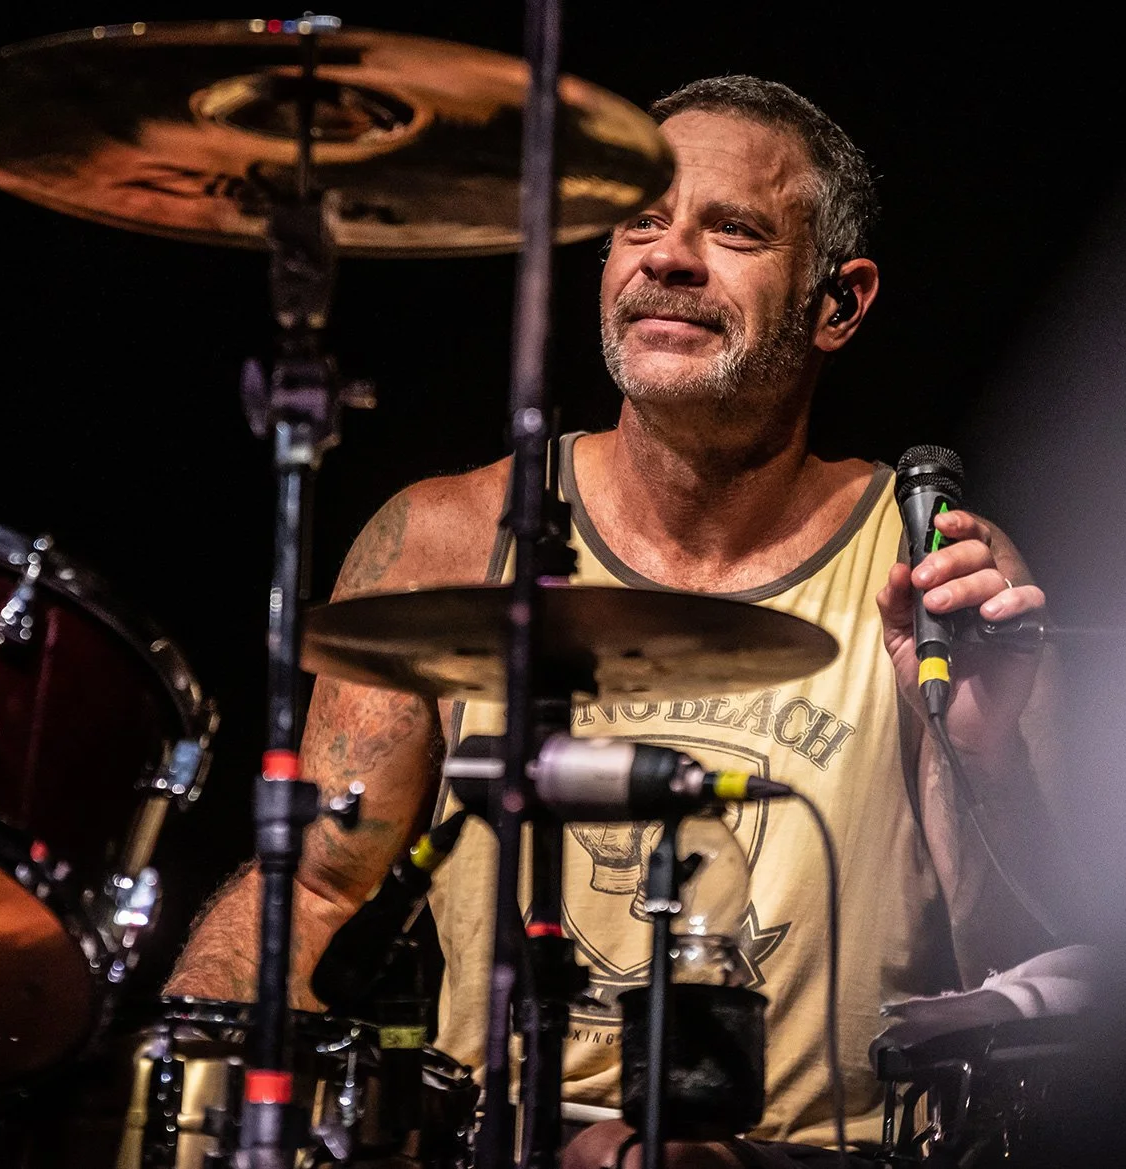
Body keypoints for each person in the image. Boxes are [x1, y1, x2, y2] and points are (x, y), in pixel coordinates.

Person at [165, 74, 1068, 1169]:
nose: (666, 256)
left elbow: (1021, 971)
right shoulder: (446, 538)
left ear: (840, 300)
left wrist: (983, 758)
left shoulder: (927, 569)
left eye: (729, 229)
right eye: (639, 220)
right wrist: (182, 1084)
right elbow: (313, 884)